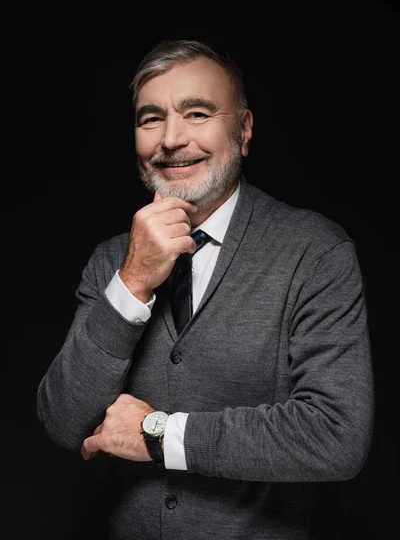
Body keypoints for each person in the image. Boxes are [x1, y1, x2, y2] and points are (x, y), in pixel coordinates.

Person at [37, 39, 374, 540]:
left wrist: (158, 434)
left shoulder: (315, 252)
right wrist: (132, 283)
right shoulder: (113, 260)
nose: (171, 139)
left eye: (197, 113)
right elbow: (63, 420)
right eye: (150, 119)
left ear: (243, 130)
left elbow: (335, 435)